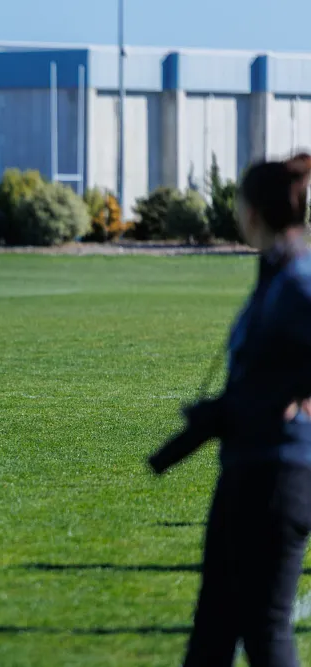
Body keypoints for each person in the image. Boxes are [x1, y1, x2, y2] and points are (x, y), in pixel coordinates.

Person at [149, 153, 311, 666]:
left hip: (279, 475)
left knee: (265, 633)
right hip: (245, 469)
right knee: (213, 632)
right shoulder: (277, 272)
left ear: (252, 212)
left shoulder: (297, 280)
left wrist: (288, 397)